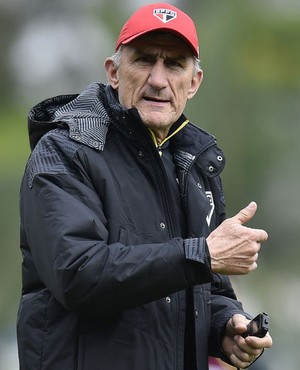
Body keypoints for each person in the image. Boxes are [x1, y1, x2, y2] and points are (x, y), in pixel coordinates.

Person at [17, 3, 272, 370]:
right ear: (114, 72)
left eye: (174, 64)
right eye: (144, 60)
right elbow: (77, 274)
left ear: (194, 82)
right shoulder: (64, 150)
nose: (158, 79)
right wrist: (200, 255)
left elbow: (204, 288)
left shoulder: (193, 166)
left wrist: (226, 326)